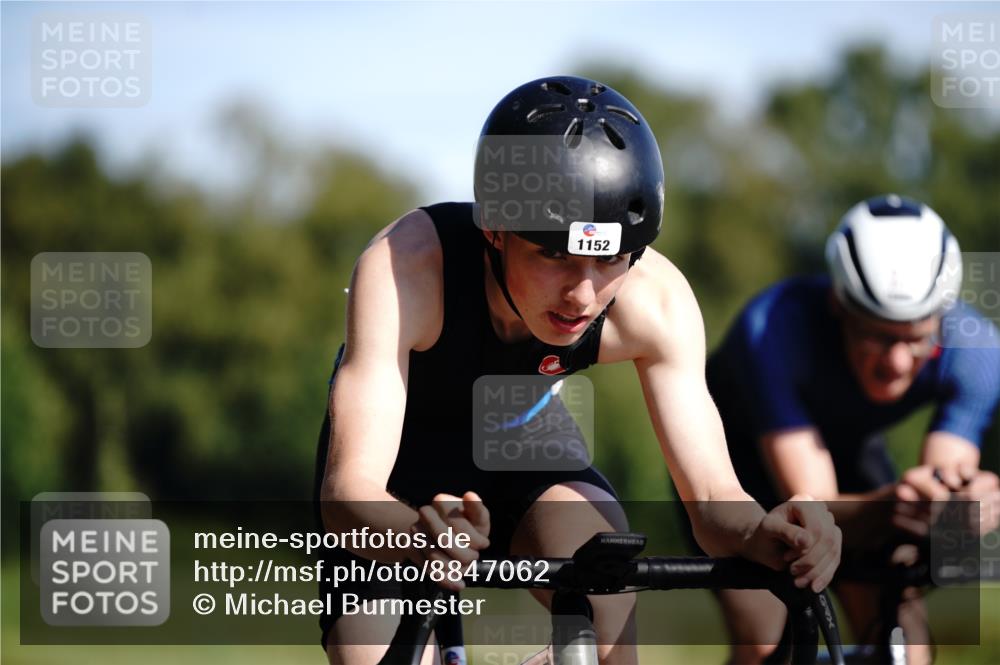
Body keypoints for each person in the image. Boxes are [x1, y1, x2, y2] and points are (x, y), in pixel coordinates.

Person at [313, 76, 841, 665]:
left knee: (603, 592)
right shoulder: (406, 268)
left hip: (524, 437)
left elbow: (715, 496)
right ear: (494, 226)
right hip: (397, 479)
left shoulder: (655, 300)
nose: (583, 296)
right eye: (554, 254)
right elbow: (348, 492)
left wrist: (762, 533)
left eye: (610, 258)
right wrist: (418, 537)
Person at [693, 194, 1000, 664]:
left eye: (916, 339)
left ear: (941, 318)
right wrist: (895, 508)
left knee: (906, 650)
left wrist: (958, 509)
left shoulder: (975, 350)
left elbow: (940, 482)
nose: (897, 362)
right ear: (839, 304)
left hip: (851, 458)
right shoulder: (773, 329)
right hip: (732, 472)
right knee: (767, 645)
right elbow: (812, 509)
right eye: (877, 334)